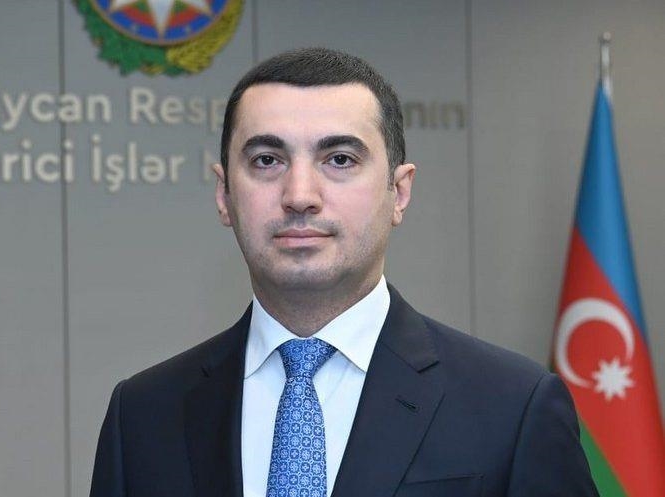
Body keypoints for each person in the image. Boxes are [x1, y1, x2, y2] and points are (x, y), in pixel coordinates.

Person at [90, 48, 598, 497]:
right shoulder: (143, 415)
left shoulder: (513, 407)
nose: (299, 196)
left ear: (399, 192)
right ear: (224, 195)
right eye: (266, 160)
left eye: (339, 159)